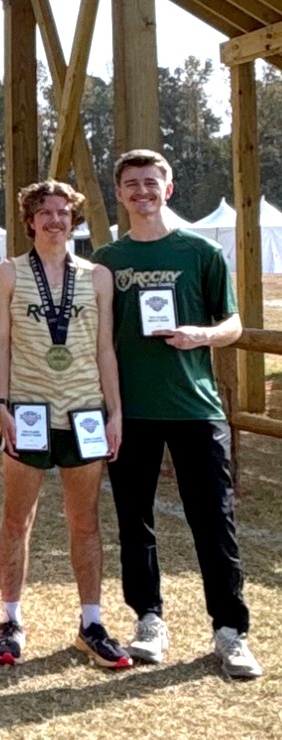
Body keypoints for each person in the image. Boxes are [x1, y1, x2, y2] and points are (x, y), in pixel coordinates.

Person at [92, 149, 262, 679]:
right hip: (132, 413)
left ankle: (230, 632)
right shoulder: (107, 260)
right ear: (118, 194)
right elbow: (100, 343)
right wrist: (111, 411)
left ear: (168, 188)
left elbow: (232, 322)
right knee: (134, 521)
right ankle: (149, 621)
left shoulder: (201, 251)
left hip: (196, 409)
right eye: (131, 184)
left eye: (151, 182)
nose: (141, 192)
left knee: (214, 521)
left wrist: (202, 336)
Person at [0, 180, 130, 668]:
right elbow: (1, 343)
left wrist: (115, 412)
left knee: (85, 521)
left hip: (85, 414)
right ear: (30, 220)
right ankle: (10, 621)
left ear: (74, 219)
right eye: (45, 212)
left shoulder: (97, 276)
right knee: (17, 517)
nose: (55, 220)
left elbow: (104, 348)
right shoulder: (7, 273)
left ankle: (91, 623)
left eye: (63, 212)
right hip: (27, 411)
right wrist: (1, 403)